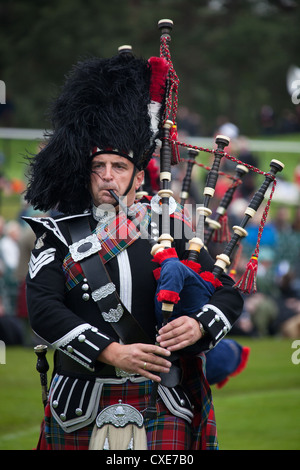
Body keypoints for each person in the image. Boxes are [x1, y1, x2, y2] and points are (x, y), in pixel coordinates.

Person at [23, 52, 243, 451]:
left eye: (119, 166)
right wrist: (111, 351)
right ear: (85, 173)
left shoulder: (170, 230)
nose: (108, 176)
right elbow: (42, 309)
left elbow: (227, 292)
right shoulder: (56, 234)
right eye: (98, 166)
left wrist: (199, 327)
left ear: (138, 176)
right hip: (80, 402)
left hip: (161, 399)